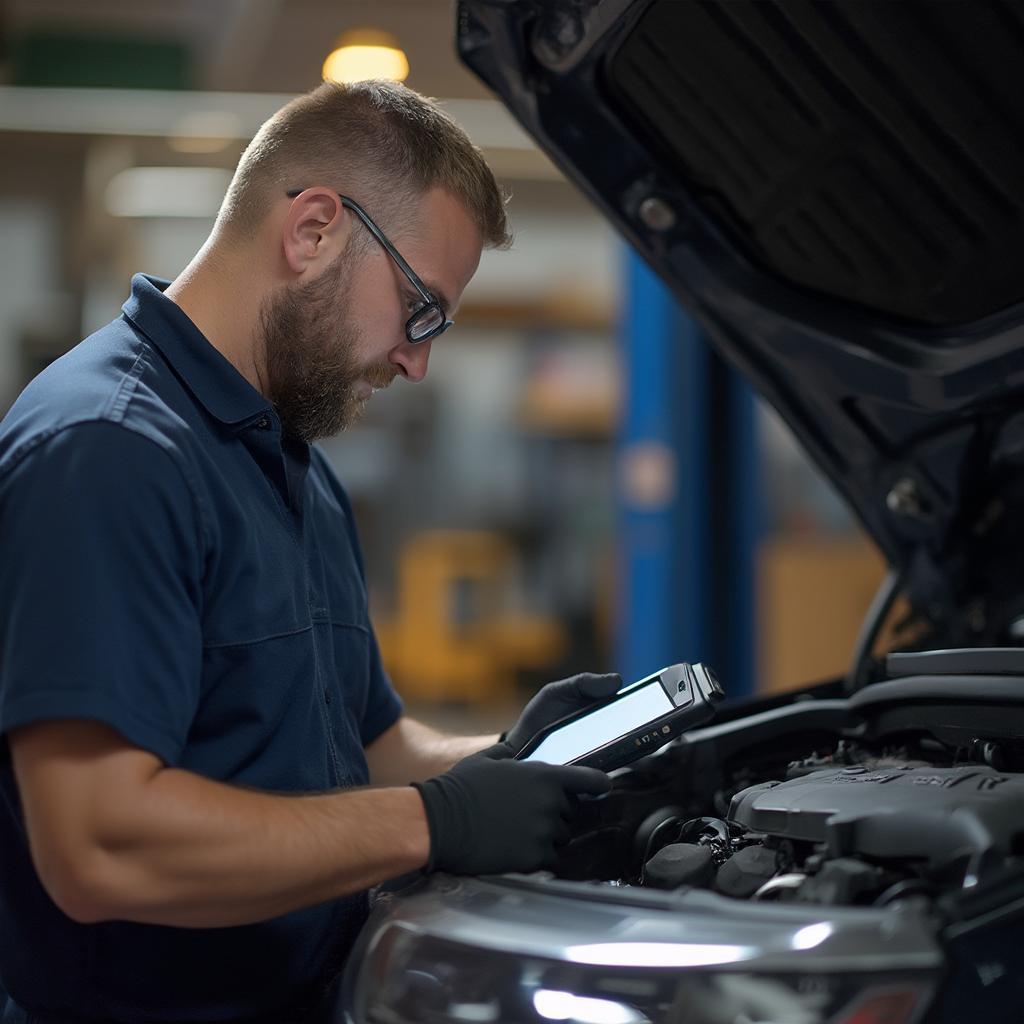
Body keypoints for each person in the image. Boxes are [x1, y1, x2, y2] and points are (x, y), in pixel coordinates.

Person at [0, 81, 621, 1024]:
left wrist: (519, 756)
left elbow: (365, 748)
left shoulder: (288, 459)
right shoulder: (112, 448)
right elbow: (97, 846)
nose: (419, 362)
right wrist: (437, 822)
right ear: (315, 231)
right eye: (421, 311)